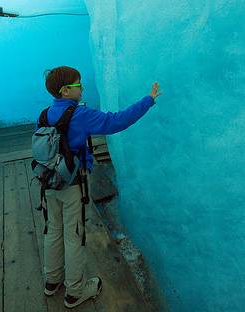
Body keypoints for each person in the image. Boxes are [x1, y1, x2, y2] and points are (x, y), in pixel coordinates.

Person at [39, 65, 161, 309]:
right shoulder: (79, 115)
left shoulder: (45, 114)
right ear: (65, 91)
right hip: (73, 185)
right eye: (78, 84)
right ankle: (75, 291)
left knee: (53, 231)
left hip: (49, 183)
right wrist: (148, 100)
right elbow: (117, 121)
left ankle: (52, 281)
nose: (82, 88)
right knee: (74, 235)